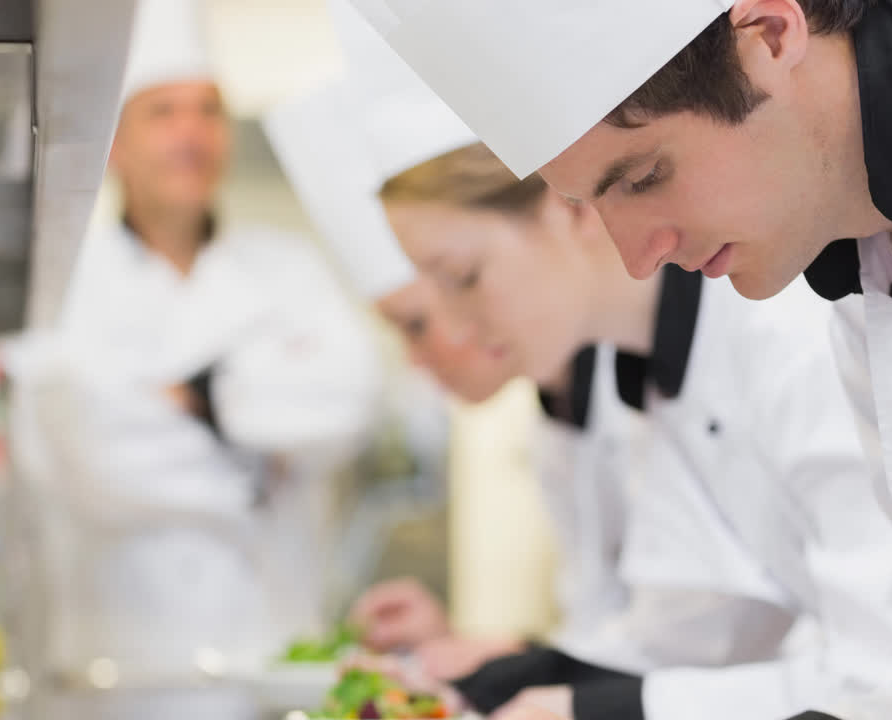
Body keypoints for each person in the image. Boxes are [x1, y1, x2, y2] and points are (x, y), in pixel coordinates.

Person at [346, 0, 892, 718]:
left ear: (768, 34)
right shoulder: (874, 292)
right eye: (594, 203)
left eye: (645, 176)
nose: (636, 257)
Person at [326, 13, 892, 709]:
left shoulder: (792, 331)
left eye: (463, 277)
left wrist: (594, 705)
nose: (454, 329)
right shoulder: (645, 379)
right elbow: (693, 628)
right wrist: (520, 677)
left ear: (561, 206)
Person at [7, 1, 379, 715]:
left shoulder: (289, 268)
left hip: (272, 676)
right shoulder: (63, 283)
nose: (192, 132)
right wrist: (263, 460)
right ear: (114, 145)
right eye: (164, 111)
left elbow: (347, 402)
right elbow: (93, 451)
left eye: (208, 110)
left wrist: (193, 401)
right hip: (115, 686)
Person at [263, 77, 640, 681]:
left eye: (418, 321)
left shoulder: (648, 367)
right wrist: (471, 655)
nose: (427, 352)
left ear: (565, 210)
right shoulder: (557, 419)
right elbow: (618, 646)